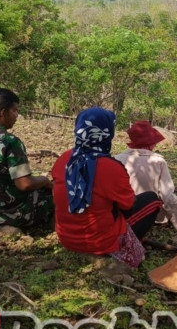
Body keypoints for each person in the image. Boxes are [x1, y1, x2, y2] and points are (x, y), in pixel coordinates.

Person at [51, 108, 162, 268]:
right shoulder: (111, 167)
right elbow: (128, 204)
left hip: (66, 238)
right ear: (108, 133)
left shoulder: (63, 159)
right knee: (152, 201)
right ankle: (122, 247)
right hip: (98, 243)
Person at [0, 88, 54, 233]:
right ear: (3, 112)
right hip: (9, 213)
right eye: (15, 111)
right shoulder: (9, 142)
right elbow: (24, 184)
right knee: (54, 193)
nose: (17, 115)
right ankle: (57, 228)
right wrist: (44, 181)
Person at [115, 120, 177, 229]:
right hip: (148, 215)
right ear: (151, 142)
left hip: (120, 215)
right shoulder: (158, 161)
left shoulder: (117, 159)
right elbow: (167, 196)